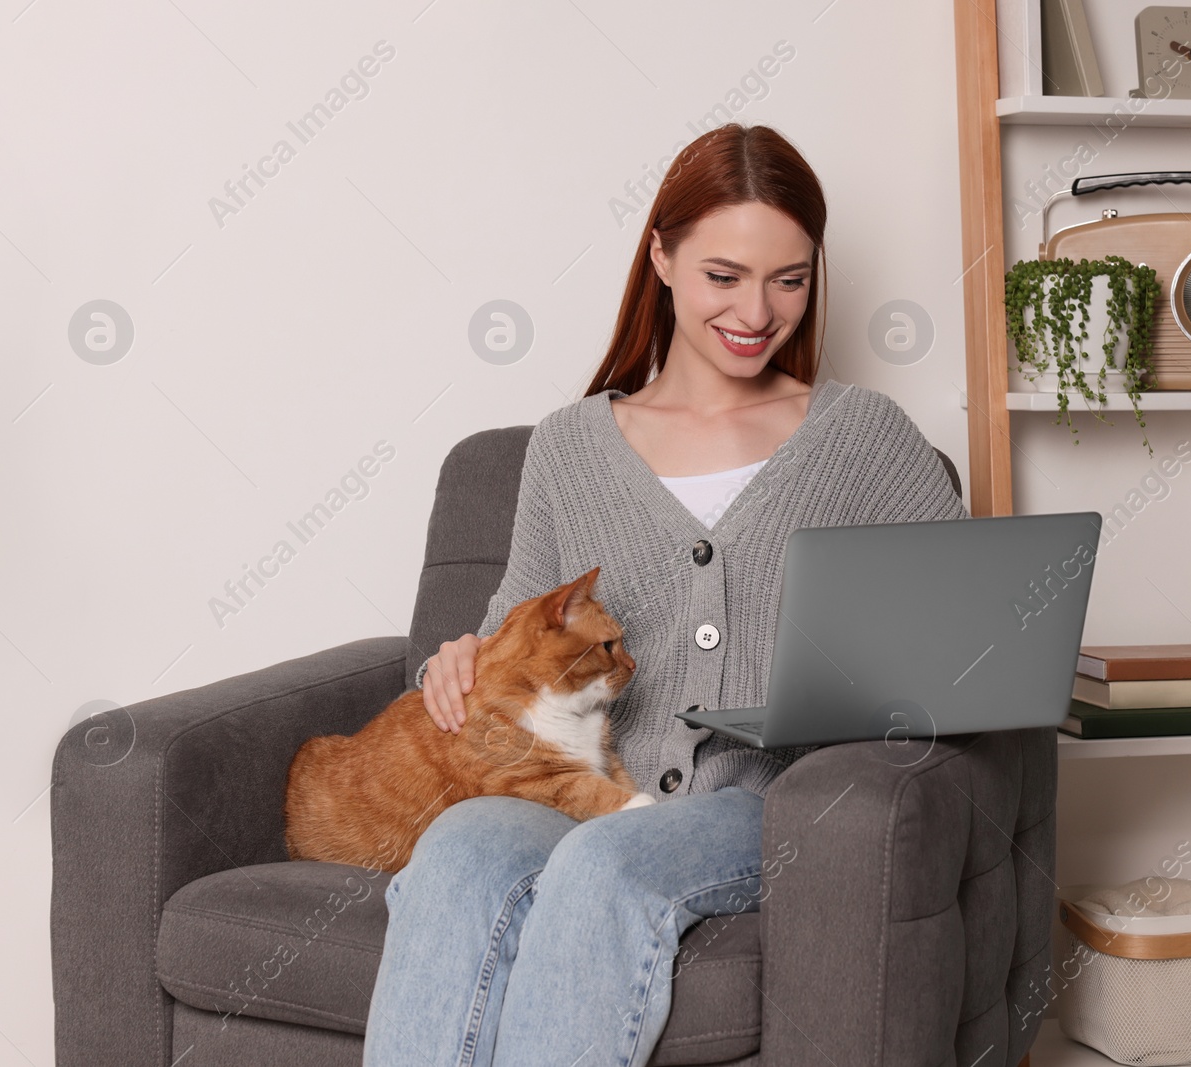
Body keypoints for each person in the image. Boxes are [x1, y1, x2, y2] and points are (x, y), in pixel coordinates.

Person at [362, 123, 967, 1067]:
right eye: (724, 275)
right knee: (458, 851)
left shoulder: (863, 438)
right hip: (585, 781)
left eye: (789, 280)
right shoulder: (568, 445)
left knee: (609, 868)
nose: (757, 310)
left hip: (759, 798)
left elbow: (973, 624)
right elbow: (518, 622)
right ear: (662, 256)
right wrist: (462, 654)